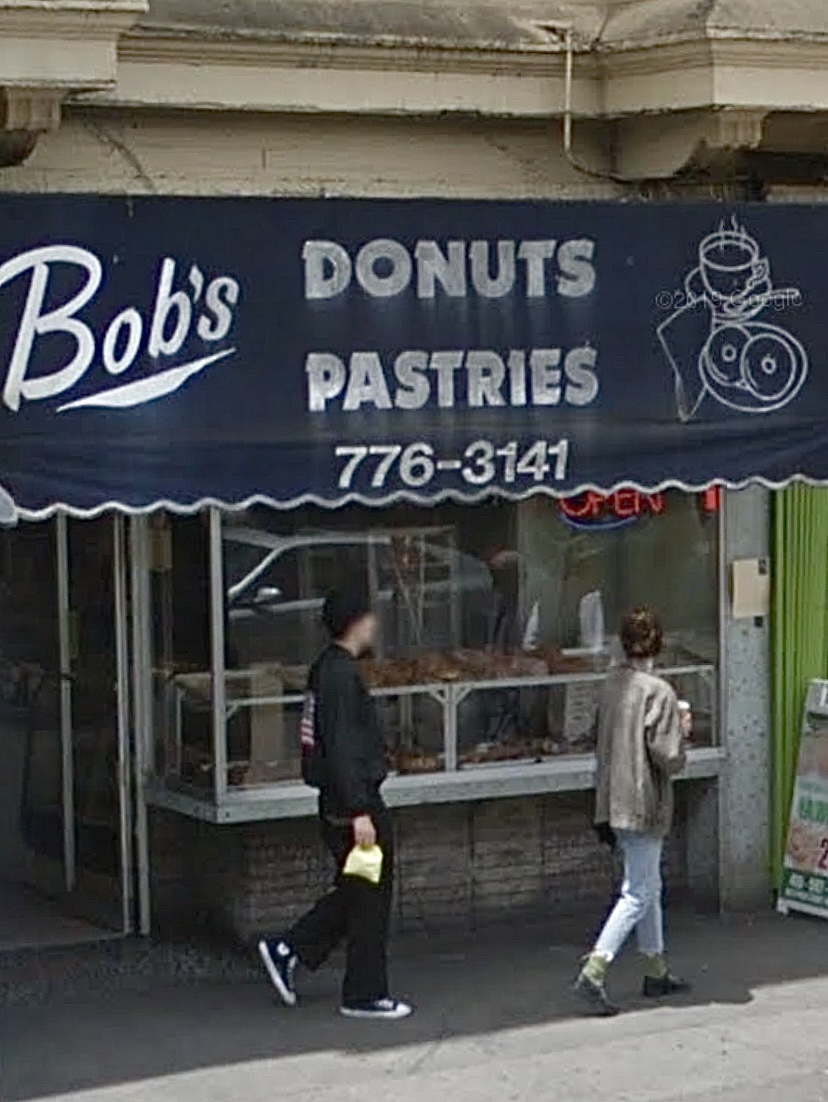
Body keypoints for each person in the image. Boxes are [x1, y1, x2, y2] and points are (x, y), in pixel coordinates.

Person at [257, 588, 412, 1021]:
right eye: (370, 618)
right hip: (353, 805)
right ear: (356, 622)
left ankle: (289, 948)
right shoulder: (341, 675)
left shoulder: (325, 669)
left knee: (356, 888)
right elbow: (343, 746)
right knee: (370, 897)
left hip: (337, 800)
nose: (375, 626)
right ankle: (363, 992)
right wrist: (360, 808)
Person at [574, 606, 690, 1016]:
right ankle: (595, 967)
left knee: (647, 885)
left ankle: (656, 967)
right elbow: (670, 756)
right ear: (658, 644)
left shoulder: (610, 685)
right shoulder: (657, 691)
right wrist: (683, 728)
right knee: (638, 891)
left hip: (613, 797)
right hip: (643, 800)